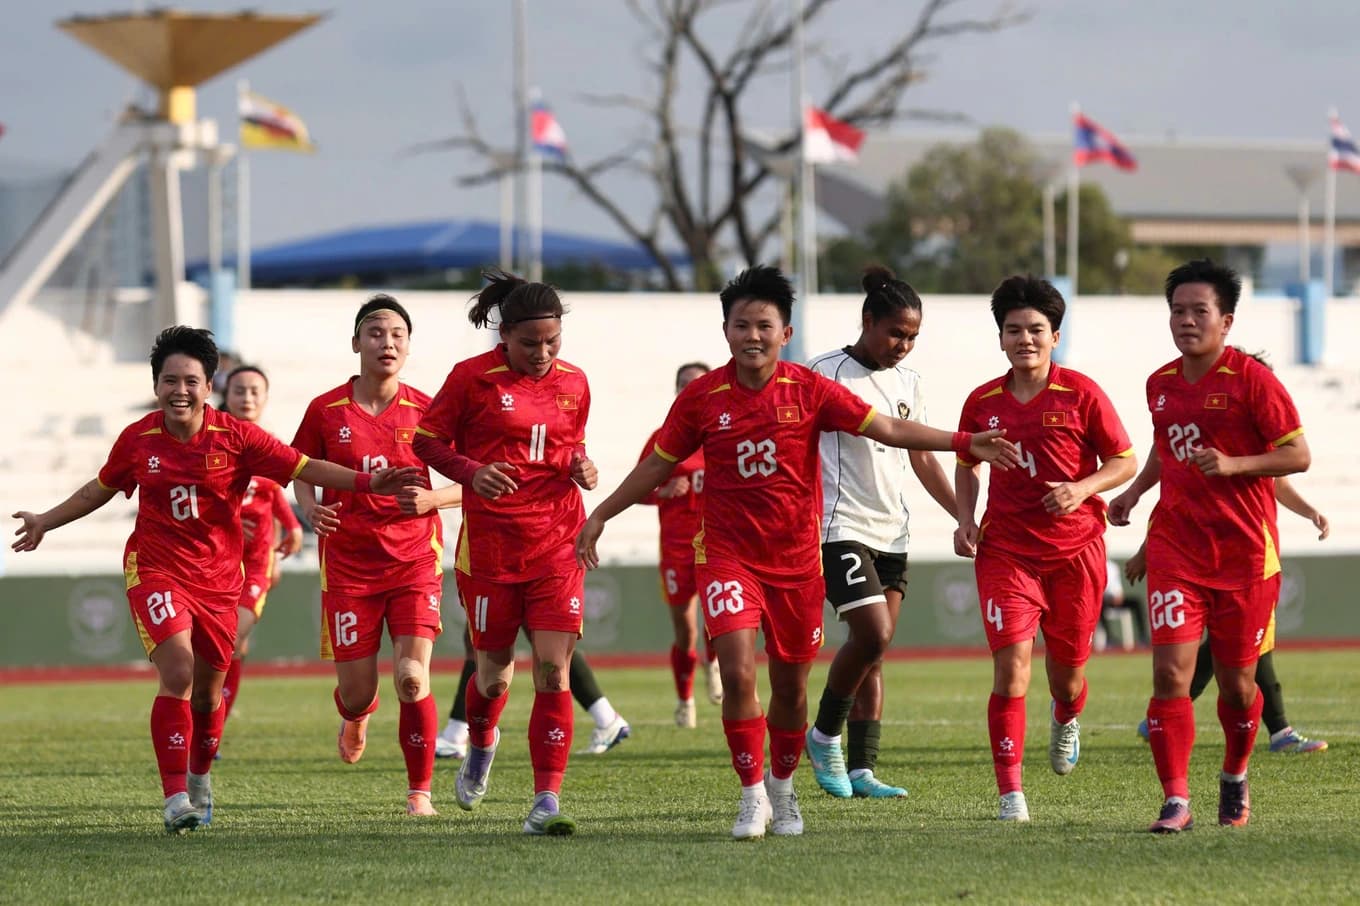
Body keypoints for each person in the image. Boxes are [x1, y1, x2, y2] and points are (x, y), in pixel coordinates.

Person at [575, 264, 1017, 840]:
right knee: (736, 674)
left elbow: (887, 429)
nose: (751, 336)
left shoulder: (808, 390)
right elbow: (657, 463)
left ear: (785, 332)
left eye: (764, 325)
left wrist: (963, 442)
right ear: (726, 330)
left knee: (789, 689)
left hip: (797, 562)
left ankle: (784, 791)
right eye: (740, 325)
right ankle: (752, 794)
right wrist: (602, 513)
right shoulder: (703, 398)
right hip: (728, 556)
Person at [10, 326, 419, 833]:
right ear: (156, 384)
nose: (179, 390)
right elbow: (100, 488)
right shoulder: (138, 439)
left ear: (209, 386)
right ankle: (174, 796)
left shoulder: (237, 436)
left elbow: (302, 466)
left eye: (190, 381)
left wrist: (365, 481)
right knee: (178, 672)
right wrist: (45, 521)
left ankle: (200, 778)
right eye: (169, 380)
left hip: (221, 581)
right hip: (156, 569)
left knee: (207, 696)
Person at [1108, 259, 1311, 833]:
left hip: (1246, 556)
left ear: (1225, 320)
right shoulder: (1160, 385)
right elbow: (1166, 449)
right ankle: (1175, 800)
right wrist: (1133, 495)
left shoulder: (1253, 380)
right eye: (1177, 310)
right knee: (1171, 674)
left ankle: (1234, 774)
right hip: (1177, 550)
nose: (1187, 320)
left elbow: (1297, 456)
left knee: (1237, 685)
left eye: (1200, 311)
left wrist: (1234, 465)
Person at [413, 270, 598, 836]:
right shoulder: (472, 379)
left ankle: (546, 799)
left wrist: (581, 466)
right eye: (529, 343)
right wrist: (473, 472)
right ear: (505, 336)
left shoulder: (576, 382)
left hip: (558, 544)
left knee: (551, 670)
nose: (542, 353)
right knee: (492, 677)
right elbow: (426, 441)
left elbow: (571, 445)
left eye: (552, 341)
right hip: (492, 550)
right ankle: (481, 743)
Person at [954, 275, 1136, 823]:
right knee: (1011, 670)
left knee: (1067, 674)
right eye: (1014, 330)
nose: (1024, 339)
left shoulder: (1081, 393)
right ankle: (1011, 792)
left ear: (1055, 335)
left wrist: (1081, 489)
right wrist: (966, 517)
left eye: (1036, 329)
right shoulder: (982, 402)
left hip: (1077, 551)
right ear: (1001, 338)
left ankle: (1067, 714)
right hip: (1007, 551)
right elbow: (967, 465)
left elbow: (1124, 461)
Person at [291, 294, 457, 818]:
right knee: (359, 692)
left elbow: (478, 479)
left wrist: (434, 498)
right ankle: (356, 714)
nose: (387, 342)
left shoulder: (429, 410)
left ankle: (420, 794)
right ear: (357, 343)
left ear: (408, 346)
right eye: (375, 333)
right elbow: (301, 469)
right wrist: (309, 511)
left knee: (412, 676)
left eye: (397, 335)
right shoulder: (325, 410)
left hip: (414, 561)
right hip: (348, 566)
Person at [803, 266, 957, 800]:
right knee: (874, 634)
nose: (904, 345)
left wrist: (965, 516)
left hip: (894, 531)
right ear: (867, 320)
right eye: (896, 332)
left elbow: (921, 460)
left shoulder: (909, 382)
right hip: (839, 526)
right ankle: (823, 735)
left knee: (873, 650)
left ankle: (863, 768)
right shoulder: (824, 371)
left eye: (913, 336)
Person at [219, 365, 304, 743]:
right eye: (240, 390)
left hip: (254, 564)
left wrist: (294, 526)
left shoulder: (269, 445)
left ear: (266, 399)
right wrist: (231, 520)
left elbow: (273, 492)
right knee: (225, 646)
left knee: (233, 640)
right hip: (212, 562)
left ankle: (211, 730)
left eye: (256, 391)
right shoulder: (210, 441)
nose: (248, 398)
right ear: (225, 394)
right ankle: (204, 723)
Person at [636, 361, 722, 730]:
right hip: (675, 546)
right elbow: (638, 487)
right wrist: (663, 492)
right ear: (676, 391)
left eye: (698, 382)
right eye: (685, 383)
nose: (691, 388)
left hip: (719, 543)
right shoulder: (663, 436)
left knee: (721, 621)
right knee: (686, 631)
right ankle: (685, 699)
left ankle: (714, 663)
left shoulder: (725, 431)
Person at [435, 627, 631, 758]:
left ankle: (457, 733)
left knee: (543, 638)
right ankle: (606, 717)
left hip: (523, 568)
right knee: (540, 637)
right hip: (514, 566)